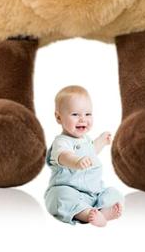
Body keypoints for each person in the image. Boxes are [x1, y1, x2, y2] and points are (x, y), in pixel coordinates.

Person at [44, 85, 124, 226]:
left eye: (88, 114)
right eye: (75, 114)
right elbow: (64, 156)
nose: (82, 119)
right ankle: (87, 215)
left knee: (114, 193)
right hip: (69, 190)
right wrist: (76, 161)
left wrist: (101, 141)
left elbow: (91, 152)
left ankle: (103, 212)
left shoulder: (86, 140)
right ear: (58, 117)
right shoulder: (61, 142)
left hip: (94, 193)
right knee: (59, 197)